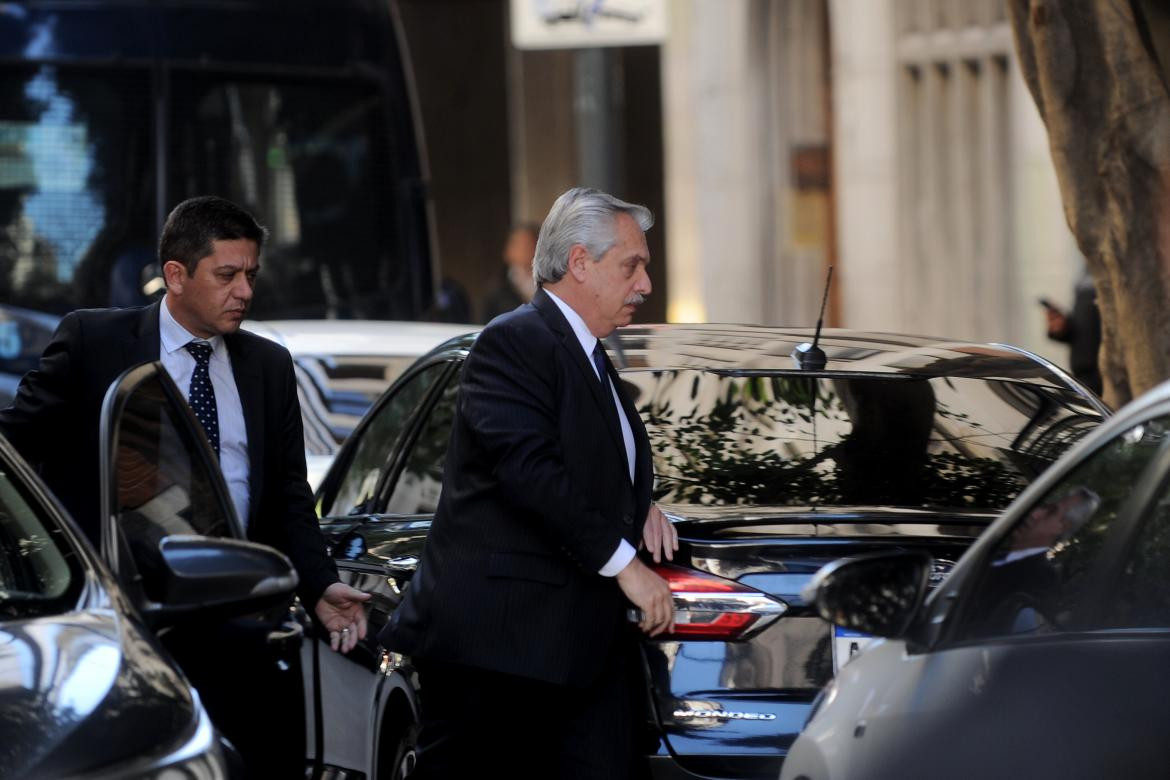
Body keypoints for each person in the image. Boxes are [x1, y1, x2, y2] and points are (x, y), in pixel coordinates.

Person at [0, 195, 369, 769]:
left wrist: (320, 587)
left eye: (251, 274)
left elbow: (289, 498)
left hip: (240, 626)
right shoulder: (92, 345)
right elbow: (15, 453)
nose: (245, 292)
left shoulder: (269, 366)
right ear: (176, 275)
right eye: (227, 275)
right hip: (117, 634)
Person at [381, 187, 678, 779]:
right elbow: (529, 471)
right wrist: (629, 566)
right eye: (633, 265)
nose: (645, 283)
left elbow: (577, 460)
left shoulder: (590, 355)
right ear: (580, 263)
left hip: (575, 653)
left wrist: (635, 504)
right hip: (497, 652)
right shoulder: (514, 340)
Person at [1044, 271, 1102, 394]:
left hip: (1105, 375)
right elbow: (1086, 322)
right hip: (1083, 377)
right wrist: (1064, 327)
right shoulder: (1088, 266)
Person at [479, 222, 538, 322]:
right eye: (518, 244)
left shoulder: (550, 282)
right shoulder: (496, 289)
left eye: (529, 244)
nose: (524, 250)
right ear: (508, 251)